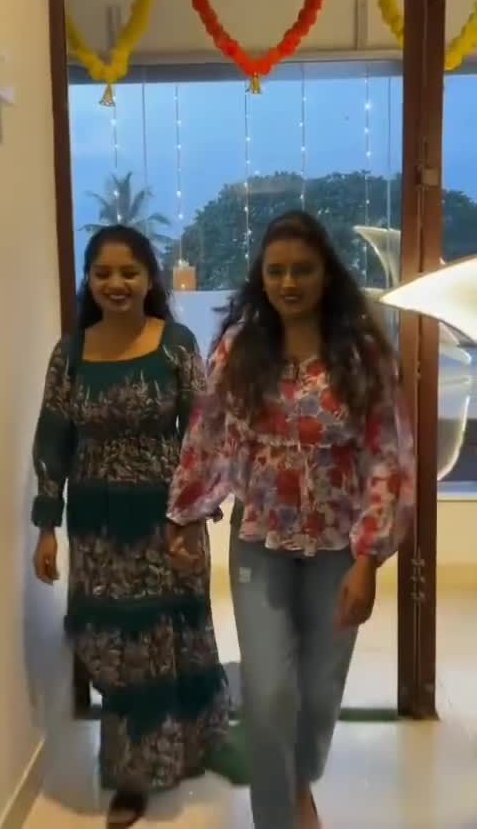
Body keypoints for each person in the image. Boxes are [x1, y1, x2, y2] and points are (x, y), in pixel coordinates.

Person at [166, 212, 415, 829]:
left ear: (326, 274)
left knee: (320, 693)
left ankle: (298, 778)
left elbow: (388, 455)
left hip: (338, 547)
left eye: (302, 269)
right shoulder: (240, 349)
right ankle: (279, 815)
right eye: (276, 270)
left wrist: (369, 558)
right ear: (262, 277)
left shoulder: (360, 354)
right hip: (260, 541)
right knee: (271, 693)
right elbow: (208, 432)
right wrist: (184, 514)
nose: (288, 282)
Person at [31, 225, 230, 828]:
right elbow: (52, 442)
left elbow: (204, 435)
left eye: (129, 272)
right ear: (89, 281)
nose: (115, 283)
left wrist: (192, 516)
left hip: (166, 523)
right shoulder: (70, 353)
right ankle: (137, 763)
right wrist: (46, 526)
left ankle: (146, 773)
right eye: (103, 273)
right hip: (97, 530)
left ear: (149, 279)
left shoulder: (175, 345)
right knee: (114, 650)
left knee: (170, 642)